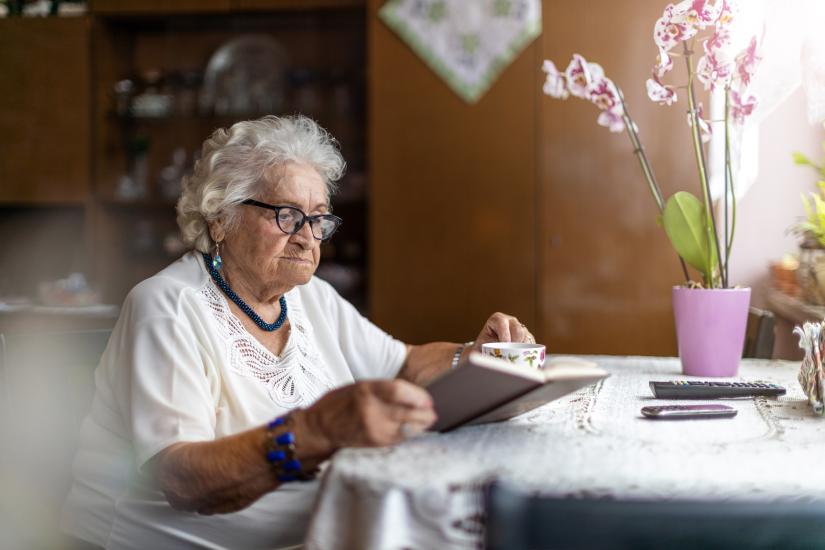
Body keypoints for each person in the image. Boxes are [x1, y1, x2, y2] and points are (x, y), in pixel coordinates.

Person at [62, 115, 535, 549]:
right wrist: (315, 430)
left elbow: (405, 365)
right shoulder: (167, 307)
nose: (307, 236)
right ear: (220, 219)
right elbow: (186, 480)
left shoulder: (311, 298)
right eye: (285, 215)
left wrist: (476, 354)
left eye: (318, 218)